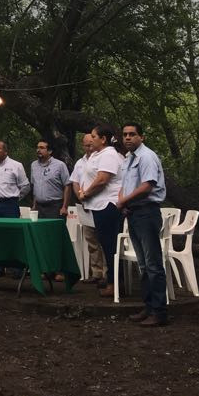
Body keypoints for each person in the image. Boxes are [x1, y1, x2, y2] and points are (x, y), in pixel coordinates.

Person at [117, 123, 170, 326]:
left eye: (132, 134)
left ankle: (159, 311)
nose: (128, 138)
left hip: (147, 213)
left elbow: (147, 186)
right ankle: (148, 307)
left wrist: (124, 201)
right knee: (143, 265)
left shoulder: (147, 157)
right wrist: (122, 202)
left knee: (153, 264)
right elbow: (124, 185)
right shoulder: (129, 159)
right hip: (133, 213)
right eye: (125, 135)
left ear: (142, 137)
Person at [76, 125, 124, 299]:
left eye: (94, 136)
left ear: (103, 139)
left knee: (110, 246)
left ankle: (114, 284)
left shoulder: (109, 154)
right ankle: (114, 281)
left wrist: (86, 193)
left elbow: (102, 179)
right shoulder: (98, 155)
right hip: (97, 205)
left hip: (107, 205)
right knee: (105, 244)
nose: (91, 139)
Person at [0, 140, 30, 277]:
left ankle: (17, 269)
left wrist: (15, 198)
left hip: (10, 204)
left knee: (13, 235)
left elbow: (25, 186)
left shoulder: (16, 165)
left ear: (5, 151)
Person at [70, 133, 107, 283]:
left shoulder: (102, 158)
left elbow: (103, 180)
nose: (89, 147)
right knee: (91, 240)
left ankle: (107, 273)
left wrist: (88, 193)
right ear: (82, 145)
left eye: (91, 144)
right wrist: (80, 195)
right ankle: (96, 272)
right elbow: (74, 181)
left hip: (100, 203)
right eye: (86, 145)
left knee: (104, 240)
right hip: (85, 205)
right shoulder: (80, 162)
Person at [30, 139, 71, 219]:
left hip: (55, 207)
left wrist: (64, 207)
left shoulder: (60, 165)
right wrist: (34, 205)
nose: (38, 150)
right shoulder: (33, 165)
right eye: (37, 148)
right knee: (39, 231)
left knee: (54, 231)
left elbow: (67, 185)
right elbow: (35, 186)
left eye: (42, 148)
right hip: (39, 207)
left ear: (50, 151)